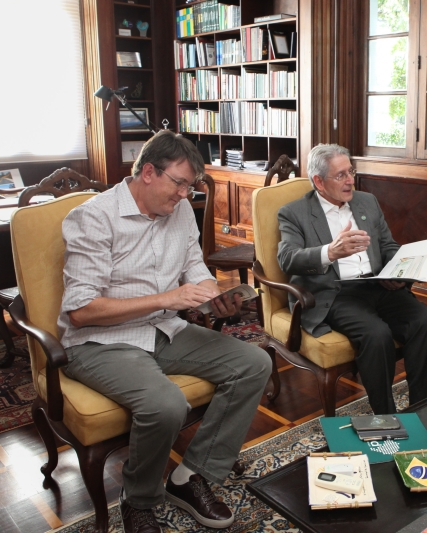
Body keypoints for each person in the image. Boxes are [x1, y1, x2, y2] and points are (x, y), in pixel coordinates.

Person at [58, 131, 271, 533]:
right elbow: (82, 312)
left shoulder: (181, 213)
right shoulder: (94, 217)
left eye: (191, 186)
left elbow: (195, 269)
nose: (185, 195)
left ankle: (188, 476)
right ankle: (137, 499)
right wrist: (165, 299)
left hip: (164, 329)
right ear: (149, 172)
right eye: (179, 183)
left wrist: (213, 296)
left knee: (254, 363)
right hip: (101, 342)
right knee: (166, 404)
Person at [277, 143, 427, 415]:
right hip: (338, 293)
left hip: (379, 285)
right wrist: (330, 252)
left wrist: (399, 272)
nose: (350, 180)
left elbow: (387, 246)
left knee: (425, 320)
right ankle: (386, 416)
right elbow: (287, 258)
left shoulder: (367, 202)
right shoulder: (294, 213)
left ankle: (423, 409)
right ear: (318, 181)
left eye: (350, 171)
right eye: (340, 175)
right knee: (377, 335)